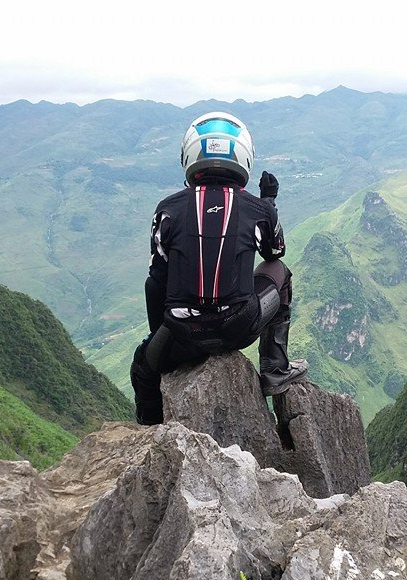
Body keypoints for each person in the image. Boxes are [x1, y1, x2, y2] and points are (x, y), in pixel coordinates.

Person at [130, 111, 308, 425]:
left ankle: (152, 433)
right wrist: (269, 204)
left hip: (182, 335)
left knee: (142, 369)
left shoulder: (167, 210)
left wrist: (161, 333)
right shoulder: (256, 208)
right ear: (243, 156)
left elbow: (156, 282)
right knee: (280, 273)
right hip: (240, 327)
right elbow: (274, 252)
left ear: (190, 154)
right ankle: (275, 370)